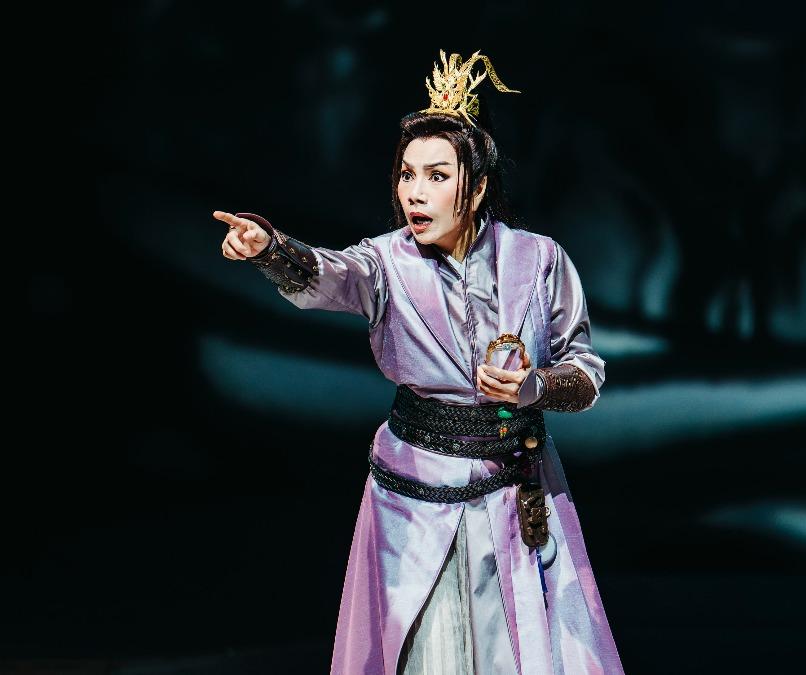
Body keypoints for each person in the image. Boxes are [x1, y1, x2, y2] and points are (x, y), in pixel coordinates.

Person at [214, 50, 624, 675]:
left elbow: (585, 371)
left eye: (436, 175)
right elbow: (332, 273)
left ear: (477, 186)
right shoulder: (386, 263)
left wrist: (535, 386)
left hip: (515, 485)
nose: (414, 192)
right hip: (417, 494)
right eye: (407, 174)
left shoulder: (539, 261)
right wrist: (271, 249)